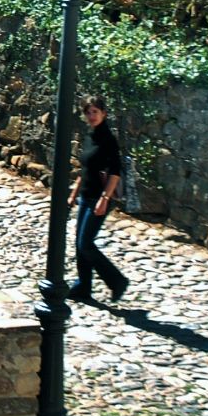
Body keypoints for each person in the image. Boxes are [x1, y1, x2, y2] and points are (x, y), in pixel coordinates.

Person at [69, 95, 130, 303]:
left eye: (95, 111)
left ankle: (116, 280)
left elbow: (115, 172)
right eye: (88, 112)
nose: (91, 115)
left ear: (103, 113)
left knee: (86, 243)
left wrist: (104, 199)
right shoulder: (90, 136)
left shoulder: (108, 140)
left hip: (99, 197)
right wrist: (73, 194)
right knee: (79, 243)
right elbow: (85, 168)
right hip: (86, 195)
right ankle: (83, 286)